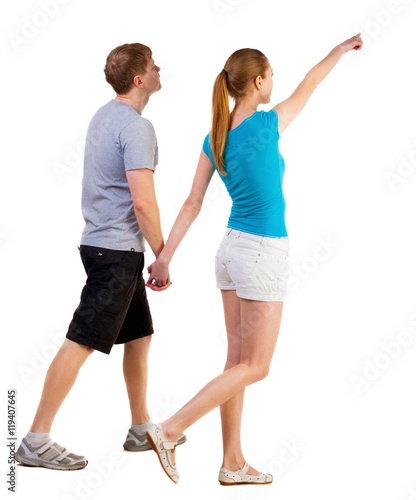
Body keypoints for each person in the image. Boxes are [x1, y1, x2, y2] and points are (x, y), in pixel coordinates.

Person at [144, 34, 363, 484]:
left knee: (237, 363)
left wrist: (165, 258)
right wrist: (337, 52)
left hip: (230, 251)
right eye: (271, 77)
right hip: (263, 250)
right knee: (256, 366)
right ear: (259, 82)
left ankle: (232, 463)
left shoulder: (215, 139)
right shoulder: (266, 126)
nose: (274, 84)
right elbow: (311, 84)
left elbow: (191, 203)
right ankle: (170, 429)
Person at [15, 42, 185, 471]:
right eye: (153, 64)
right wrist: (162, 256)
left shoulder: (103, 116)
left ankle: (140, 426)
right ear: (138, 79)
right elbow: (143, 203)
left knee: (139, 335)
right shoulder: (135, 126)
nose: (159, 67)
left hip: (103, 246)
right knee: (82, 339)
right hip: (116, 253)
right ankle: (35, 439)